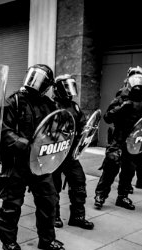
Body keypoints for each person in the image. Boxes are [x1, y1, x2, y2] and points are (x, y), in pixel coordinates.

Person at [0, 64, 65, 250]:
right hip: (17, 163)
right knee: (12, 204)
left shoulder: (49, 104)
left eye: (41, 80)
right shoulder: (13, 102)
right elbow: (3, 131)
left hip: (41, 163)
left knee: (48, 201)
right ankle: (9, 241)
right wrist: (24, 144)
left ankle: (47, 239)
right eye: (34, 77)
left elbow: (56, 128)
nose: (36, 82)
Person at [94, 68, 142, 210]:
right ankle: (101, 195)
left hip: (133, 141)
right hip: (119, 139)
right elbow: (107, 117)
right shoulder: (121, 96)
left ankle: (123, 197)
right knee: (110, 167)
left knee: (129, 170)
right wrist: (121, 108)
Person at [51, 74, 94, 230]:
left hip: (70, 153)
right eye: (66, 87)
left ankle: (77, 217)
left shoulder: (74, 106)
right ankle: (53, 216)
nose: (69, 91)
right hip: (54, 153)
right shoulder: (50, 105)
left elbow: (82, 124)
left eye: (71, 87)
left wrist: (84, 132)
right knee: (53, 186)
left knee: (79, 182)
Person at [114, 66, 142, 194]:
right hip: (127, 134)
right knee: (128, 163)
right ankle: (125, 186)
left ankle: (141, 181)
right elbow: (115, 115)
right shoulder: (124, 93)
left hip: (141, 132)